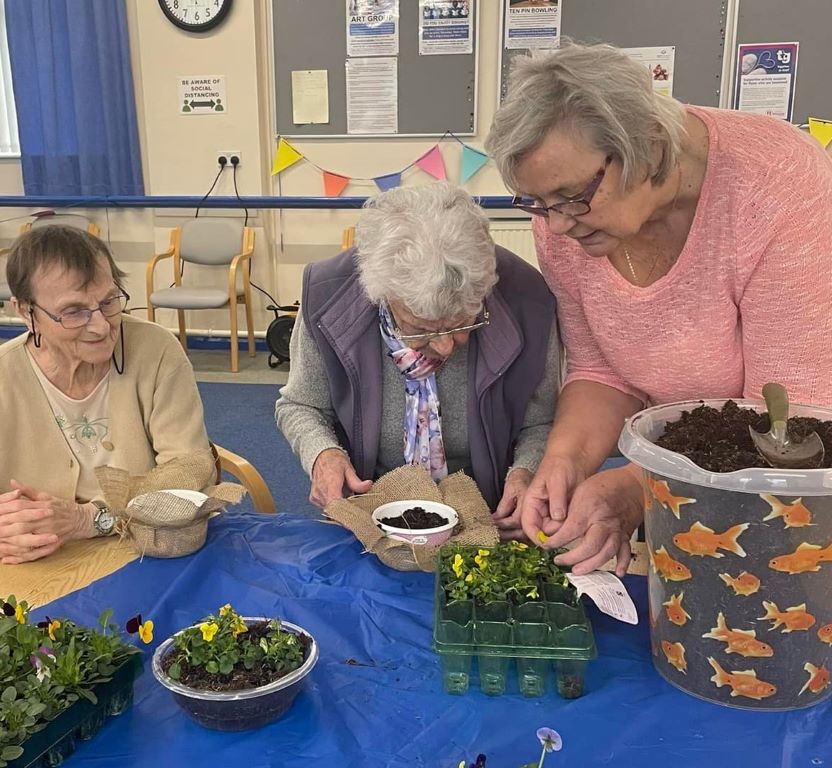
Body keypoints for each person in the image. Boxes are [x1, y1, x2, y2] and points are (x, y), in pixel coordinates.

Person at [486, 42, 832, 575]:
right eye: (536, 204)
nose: (554, 227)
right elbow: (600, 369)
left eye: (571, 198)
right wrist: (564, 461)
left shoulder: (779, 182)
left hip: (790, 489)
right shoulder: (566, 216)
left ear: (646, 147)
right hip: (678, 467)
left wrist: (636, 488)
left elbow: (790, 420)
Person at [0, 226, 213, 563]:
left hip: (146, 554)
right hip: (42, 568)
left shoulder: (157, 351)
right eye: (74, 312)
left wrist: (88, 519)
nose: (102, 326)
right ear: (26, 312)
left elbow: (191, 472)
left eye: (109, 302)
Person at [276, 182, 561, 524]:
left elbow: (541, 422)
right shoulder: (328, 298)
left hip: (489, 516)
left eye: (462, 323)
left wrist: (526, 471)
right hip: (370, 511)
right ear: (381, 297)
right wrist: (324, 454)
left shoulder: (528, 302)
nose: (443, 347)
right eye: (420, 328)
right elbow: (301, 405)